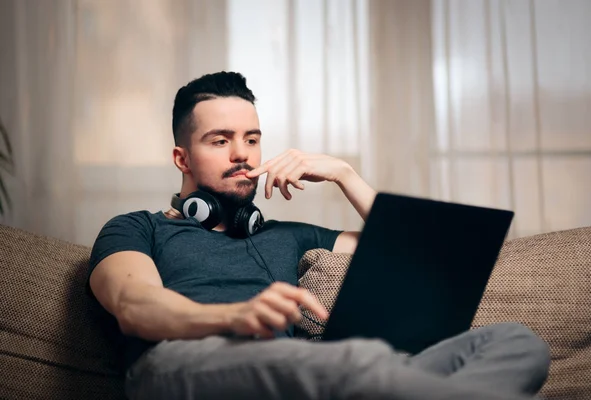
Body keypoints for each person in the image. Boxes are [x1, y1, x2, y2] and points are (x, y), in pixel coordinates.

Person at [88, 71, 550, 400]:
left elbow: (430, 255)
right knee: (357, 362)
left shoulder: (288, 236)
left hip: (303, 374)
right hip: (179, 366)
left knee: (514, 342)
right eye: (219, 140)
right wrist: (234, 316)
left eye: (252, 139)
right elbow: (134, 306)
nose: (242, 154)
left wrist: (344, 174)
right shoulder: (138, 228)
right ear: (181, 158)